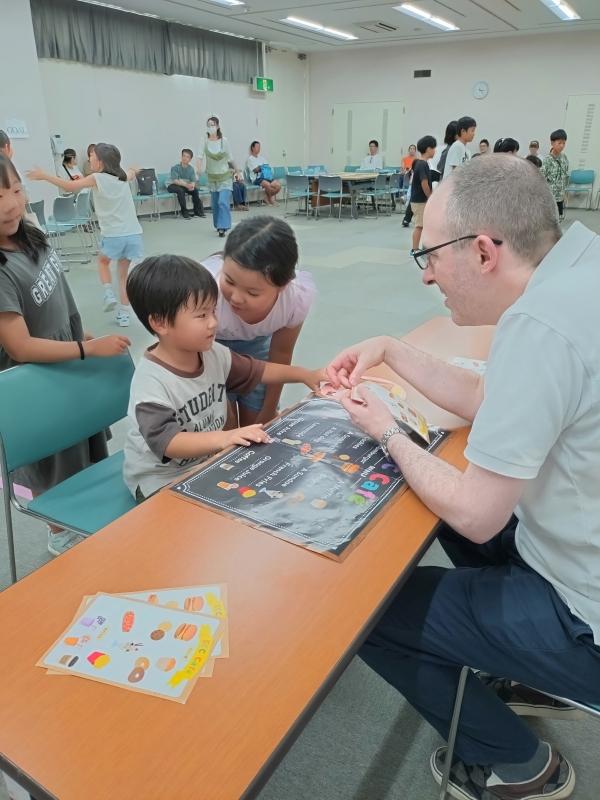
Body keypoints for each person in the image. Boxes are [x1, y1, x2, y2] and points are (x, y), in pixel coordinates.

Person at [326, 154, 600, 800]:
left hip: (586, 617)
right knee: (443, 511)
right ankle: (529, 669)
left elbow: (480, 512)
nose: (427, 276)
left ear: (482, 252)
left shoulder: (541, 325)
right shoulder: (576, 268)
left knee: (372, 609)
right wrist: (391, 349)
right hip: (571, 550)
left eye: (431, 255)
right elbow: (490, 401)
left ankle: (520, 767)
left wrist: (387, 432)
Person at [0, 153, 130, 555]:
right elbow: (20, 346)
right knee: (54, 462)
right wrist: (86, 348)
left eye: (16, 190)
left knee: (85, 450)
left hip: (68, 361)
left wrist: (82, 334)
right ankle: (61, 535)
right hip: (39, 380)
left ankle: (83, 520)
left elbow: (56, 302)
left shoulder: (30, 236)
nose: (10, 204)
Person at [123, 254, 324, 500]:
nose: (213, 323)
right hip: (161, 482)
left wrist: (306, 375)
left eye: (213, 312)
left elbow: (259, 370)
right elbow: (169, 442)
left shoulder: (212, 353)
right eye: (201, 315)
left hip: (208, 464)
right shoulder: (151, 383)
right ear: (161, 322)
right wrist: (225, 437)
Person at [201, 216, 316, 426]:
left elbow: (280, 353)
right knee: (223, 428)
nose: (235, 297)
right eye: (229, 281)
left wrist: (269, 410)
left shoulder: (294, 299)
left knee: (258, 423)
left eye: (252, 293)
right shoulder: (204, 289)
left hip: (258, 350)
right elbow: (197, 356)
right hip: (207, 351)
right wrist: (226, 419)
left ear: (282, 286)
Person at [28, 143, 143, 328]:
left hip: (113, 235)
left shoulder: (97, 178)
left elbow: (70, 186)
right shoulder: (122, 177)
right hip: (134, 234)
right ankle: (123, 315)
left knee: (103, 262)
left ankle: (108, 293)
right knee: (123, 276)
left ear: (101, 162)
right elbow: (130, 173)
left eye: (92, 157)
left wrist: (44, 176)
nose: (89, 159)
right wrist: (133, 169)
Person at [200, 116, 240, 237]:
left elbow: (231, 158)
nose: (210, 127)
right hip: (212, 177)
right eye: (208, 125)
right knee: (215, 203)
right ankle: (218, 224)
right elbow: (199, 156)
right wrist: (197, 171)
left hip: (225, 177)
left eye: (212, 124)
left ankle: (223, 227)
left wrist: (238, 171)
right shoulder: (204, 141)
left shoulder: (224, 141)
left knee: (223, 201)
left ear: (217, 126)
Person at [408, 135, 437, 253]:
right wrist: (430, 197)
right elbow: (424, 183)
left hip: (418, 200)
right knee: (419, 225)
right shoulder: (423, 164)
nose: (435, 151)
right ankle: (414, 249)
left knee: (422, 225)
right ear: (428, 149)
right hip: (420, 201)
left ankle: (420, 247)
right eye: (434, 148)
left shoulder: (420, 163)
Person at [167, 148, 205, 220]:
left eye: (187, 157)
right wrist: (187, 185)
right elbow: (175, 181)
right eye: (183, 156)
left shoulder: (191, 169)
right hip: (171, 185)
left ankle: (197, 211)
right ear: (181, 157)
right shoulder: (175, 167)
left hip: (183, 185)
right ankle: (184, 211)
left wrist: (192, 186)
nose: (185, 158)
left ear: (190, 159)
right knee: (180, 190)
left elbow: (193, 180)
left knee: (195, 190)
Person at [541, 129, 569, 222]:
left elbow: (565, 176)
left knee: (559, 220)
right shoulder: (547, 160)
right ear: (552, 143)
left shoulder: (564, 158)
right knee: (550, 222)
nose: (562, 146)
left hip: (560, 196)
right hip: (550, 197)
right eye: (559, 143)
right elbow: (541, 178)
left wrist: (565, 192)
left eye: (564, 143)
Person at [247, 141, 281, 206]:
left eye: (259, 147)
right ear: (252, 148)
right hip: (257, 178)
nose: (259, 148)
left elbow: (267, 167)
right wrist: (262, 167)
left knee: (278, 185)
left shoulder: (262, 158)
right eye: (257, 147)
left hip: (267, 177)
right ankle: (271, 200)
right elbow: (255, 170)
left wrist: (262, 167)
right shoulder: (250, 159)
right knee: (268, 185)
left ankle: (266, 197)